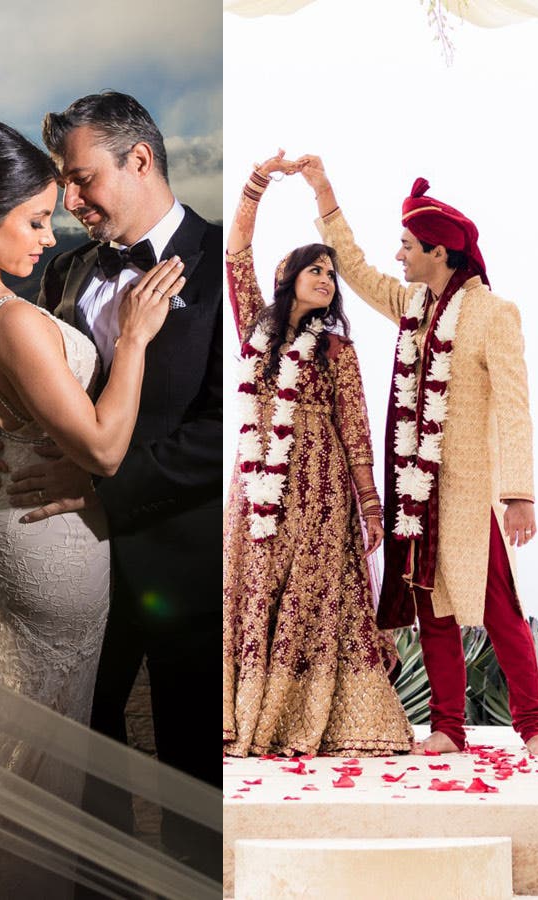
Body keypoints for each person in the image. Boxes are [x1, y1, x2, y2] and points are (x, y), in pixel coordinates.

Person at [0, 117, 183, 895]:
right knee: (39, 752)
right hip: (44, 534)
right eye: (32, 221)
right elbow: (100, 452)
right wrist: (132, 342)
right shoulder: (19, 319)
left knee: (6, 742)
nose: (47, 237)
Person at [0, 92, 224, 864]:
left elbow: (227, 430)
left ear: (140, 160)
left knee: (192, 769)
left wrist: (105, 489)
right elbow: (41, 389)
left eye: (82, 180)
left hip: (185, 558)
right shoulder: (67, 272)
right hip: (74, 563)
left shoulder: (229, 267)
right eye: (62, 188)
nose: (70, 203)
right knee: (81, 747)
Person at [294, 158, 538, 759]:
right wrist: (325, 193)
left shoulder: (493, 313)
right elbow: (352, 267)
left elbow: (513, 407)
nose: (399, 255)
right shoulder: (412, 305)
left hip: (469, 491)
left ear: (440, 250)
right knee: (430, 609)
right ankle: (449, 729)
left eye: (407, 245)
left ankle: (535, 726)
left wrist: (517, 496)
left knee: (500, 609)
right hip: (416, 492)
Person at [221, 151, 412, 757]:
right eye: (317, 270)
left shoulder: (337, 350)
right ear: (290, 277)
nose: (328, 280)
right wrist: (257, 185)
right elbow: (235, 256)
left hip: (322, 483)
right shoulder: (255, 325)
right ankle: (247, 714)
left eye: (332, 273)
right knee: (253, 582)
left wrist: (371, 507)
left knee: (311, 592)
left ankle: (306, 714)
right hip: (256, 479)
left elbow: (355, 429)